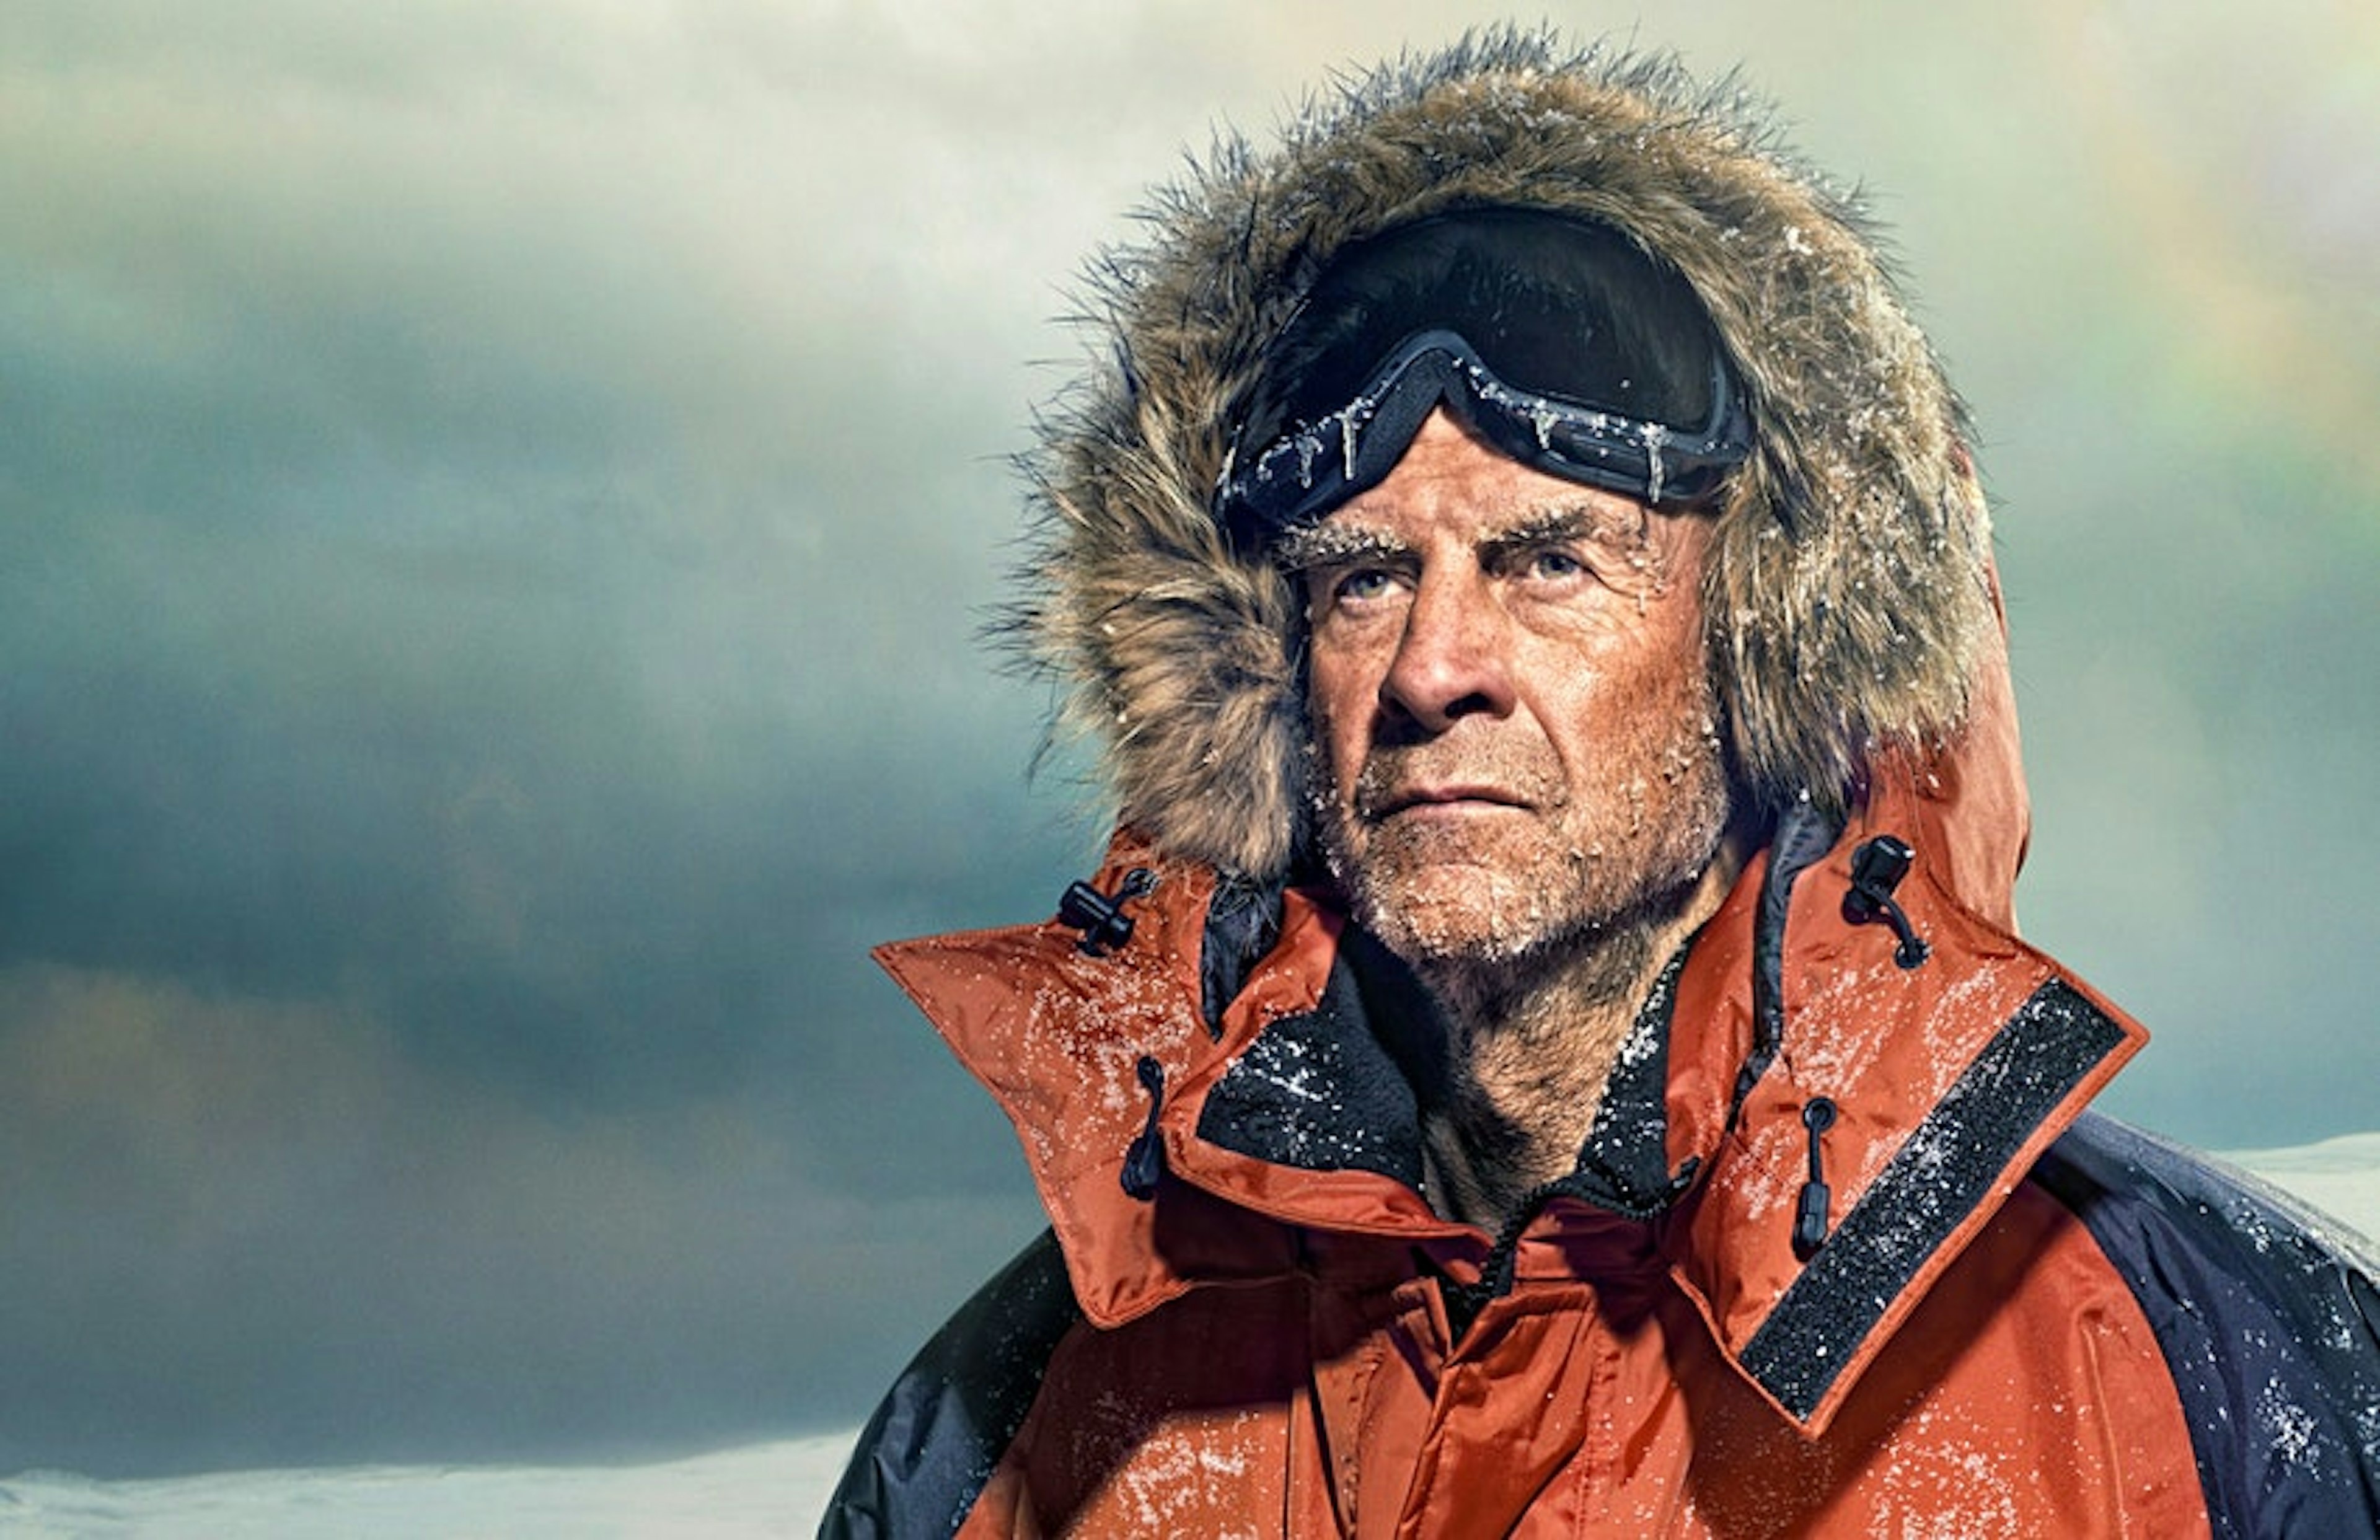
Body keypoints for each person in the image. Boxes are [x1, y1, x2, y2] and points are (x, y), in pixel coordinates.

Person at [823, 31, 2380, 1538]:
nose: (1436, 665)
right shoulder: (1006, 1432)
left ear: (1764, 634)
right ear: (1262, 674)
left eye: (1548, 560)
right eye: (1363, 576)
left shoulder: (2204, 1369)